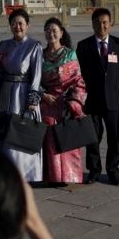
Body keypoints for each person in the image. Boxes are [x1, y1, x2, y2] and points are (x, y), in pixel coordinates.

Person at [76, 8, 119, 185]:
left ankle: (113, 170)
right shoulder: (83, 46)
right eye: (98, 22)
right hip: (91, 100)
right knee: (92, 138)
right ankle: (93, 170)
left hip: (114, 100)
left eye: (105, 22)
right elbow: (78, 75)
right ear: (93, 24)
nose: (102, 25)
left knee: (114, 137)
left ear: (110, 24)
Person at [0, 8, 43, 181]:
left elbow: (36, 77)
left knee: (20, 132)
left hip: (22, 94)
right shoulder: (4, 45)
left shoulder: (34, 46)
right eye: (14, 23)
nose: (17, 27)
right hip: (6, 92)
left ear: (27, 25)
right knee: (2, 131)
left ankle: (22, 173)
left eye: (21, 23)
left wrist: (32, 100)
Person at [40, 18, 87, 185]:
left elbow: (78, 80)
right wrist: (43, 94)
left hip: (66, 104)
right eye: (47, 30)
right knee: (48, 142)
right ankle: (51, 176)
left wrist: (74, 102)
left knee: (66, 141)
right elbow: (34, 81)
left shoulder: (69, 54)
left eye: (54, 30)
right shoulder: (40, 54)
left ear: (61, 32)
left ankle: (68, 175)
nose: (51, 33)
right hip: (46, 103)